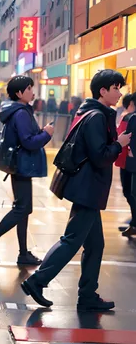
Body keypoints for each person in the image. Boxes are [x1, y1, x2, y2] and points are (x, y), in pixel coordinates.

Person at [21, 69, 131, 311]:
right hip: (88, 189)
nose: (120, 93)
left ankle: (88, 294)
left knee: (95, 245)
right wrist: (119, 144)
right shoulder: (96, 117)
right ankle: (37, 281)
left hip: (89, 188)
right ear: (103, 91)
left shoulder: (93, 113)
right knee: (72, 240)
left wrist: (117, 143)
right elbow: (100, 156)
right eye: (115, 88)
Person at [0, 76, 54, 265]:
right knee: (22, 208)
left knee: (24, 208)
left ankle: (23, 253)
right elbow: (28, 141)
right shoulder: (21, 113)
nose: (32, 91)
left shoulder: (20, 111)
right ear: (19, 93)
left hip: (20, 165)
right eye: (29, 88)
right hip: (22, 165)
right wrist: (46, 134)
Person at [115, 93, 136, 236]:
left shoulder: (131, 118)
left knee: (132, 193)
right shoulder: (129, 117)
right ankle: (134, 222)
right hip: (127, 161)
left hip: (131, 161)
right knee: (130, 192)